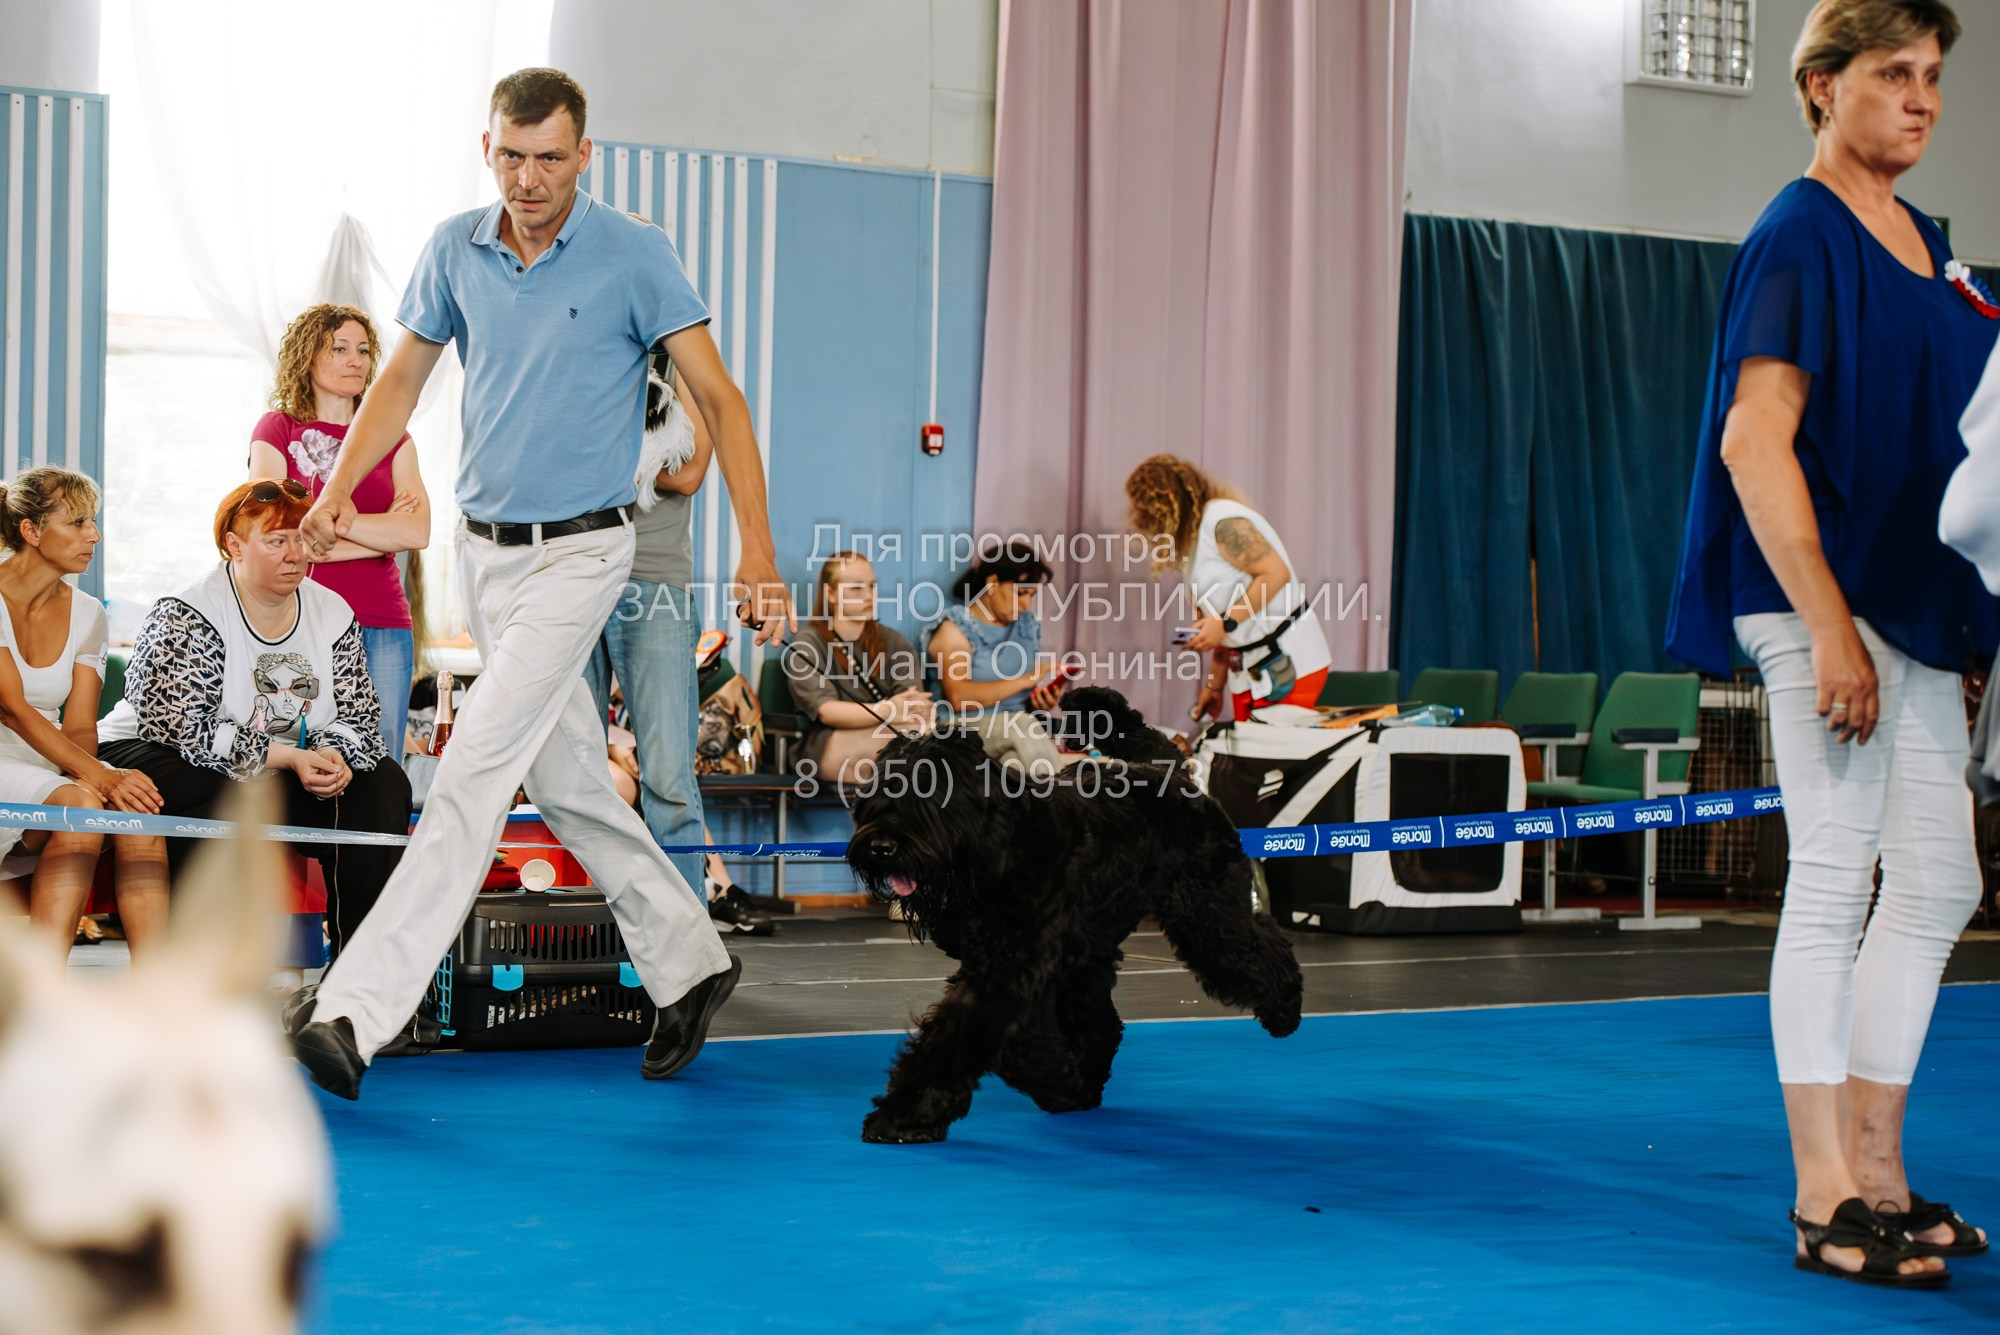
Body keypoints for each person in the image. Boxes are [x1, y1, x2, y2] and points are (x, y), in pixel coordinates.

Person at [288, 68, 792, 1101]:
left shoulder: (635, 254)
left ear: (583, 156)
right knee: (564, 782)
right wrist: (335, 494)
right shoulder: (454, 248)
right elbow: (401, 381)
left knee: (471, 772)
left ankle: (352, 1012)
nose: (528, 179)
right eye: (511, 157)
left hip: (583, 552)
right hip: (485, 556)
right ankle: (691, 960)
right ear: (487, 149)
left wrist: (758, 550)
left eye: (550, 159)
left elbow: (722, 400)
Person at [1665, 0, 1987, 1285]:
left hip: (1910, 607)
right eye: (1891, 73)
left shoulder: (1928, 245)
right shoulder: (1797, 230)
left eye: (1932, 76)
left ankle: (1879, 1173)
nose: (1920, 99)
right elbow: (1754, 442)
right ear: (1818, 87)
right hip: (1819, 602)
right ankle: (1820, 1195)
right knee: (1834, 870)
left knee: (1938, 881)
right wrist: (1827, 629)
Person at [98, 481, 411, 959]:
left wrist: (332, 755)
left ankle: (358, 971)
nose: (294, 555)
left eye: (301, 539)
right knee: (212, 787)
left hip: (281, 762)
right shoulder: (188, 609)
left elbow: (360, 715)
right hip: (155, 749)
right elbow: (178, 725)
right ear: (234, 545)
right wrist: (288, 757)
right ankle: (200, 966)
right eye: (276, 541)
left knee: (383, 786)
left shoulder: (332, 610)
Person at [251, 303, 431, 759]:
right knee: (301, 755)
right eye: (340, 348)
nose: (356, 360)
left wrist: (325, 530)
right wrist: (379, 537)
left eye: (364, 350)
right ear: (308, 356)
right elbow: (274, 531)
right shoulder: (278, 429)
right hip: (296, 618)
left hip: (381, 620)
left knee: (381, 760)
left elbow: (417, 531)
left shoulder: (395, 438)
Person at [0, 468, 168, 956]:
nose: (93, 535)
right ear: (31, 531)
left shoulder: (90, 612)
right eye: (77, 522)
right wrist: (97, 778)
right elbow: (12, 710)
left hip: (48, 765)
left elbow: (78, 725)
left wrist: (93, 777)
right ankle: (45, 988)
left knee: (137, 809)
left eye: (92, 522)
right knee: (84, 803)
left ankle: (154, 988)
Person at [1124, 454, 1332, 723]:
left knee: (1273, 749)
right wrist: (1214, 685)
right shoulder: (1192, 545)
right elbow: (1220, 629)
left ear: (1164, 506)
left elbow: (1275, 574)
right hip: (1249, 673)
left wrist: (1224, 623)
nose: (1136, 517)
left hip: (1290, 663)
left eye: (1142, 508)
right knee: (1249, 748)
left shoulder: (1223, 522)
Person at [785, 551, 935, 785]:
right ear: (831, 594)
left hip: (889, 729)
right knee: (910, 752)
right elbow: (826, 711)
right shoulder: (809, 643)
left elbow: (912, 703)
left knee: (920, 737)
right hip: (828, 739)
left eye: (872, 586)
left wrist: (908, 711)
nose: (868, 596)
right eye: (856, 588)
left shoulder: (894, 641)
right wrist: (887, 709)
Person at [929, 541, 1066, 771]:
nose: (1026, 604)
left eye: (1031, 595)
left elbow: (1019, 702)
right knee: (1021, 724)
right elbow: (958, 697)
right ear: (992, 583)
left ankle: (1058, 788)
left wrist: (1039, 702)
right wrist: (1025, 680)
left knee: (1014, 763)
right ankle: (1062, 790)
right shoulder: (955, 628)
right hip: (961, 730)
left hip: (1014, 735)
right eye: (1020, 593)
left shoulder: (1026, 626)